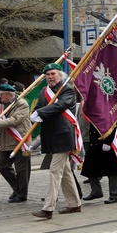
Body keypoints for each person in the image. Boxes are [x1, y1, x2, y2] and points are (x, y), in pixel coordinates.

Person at [30, 63, 82, 219]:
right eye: (47, 75)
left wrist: (41, 112)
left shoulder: (67, 90)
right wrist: (35, 114)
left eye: (53, 74)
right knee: (65, 172)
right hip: (51, 136)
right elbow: (38, 107)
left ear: (60, 75)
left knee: (55, 171)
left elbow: (62, 105)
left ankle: (48, 208)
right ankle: (75, 204)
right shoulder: (43, 92)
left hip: (63, 136)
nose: (50, 77)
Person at [0, 83, 31, 203]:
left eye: (1, 94)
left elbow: (16, 120)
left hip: (19, 141)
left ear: (8, 94)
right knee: (2, 165)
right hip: (6, 141)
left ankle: (22, 195)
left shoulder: (22, 104)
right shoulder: (2, 105)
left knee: (21, 170)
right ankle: (17, 188)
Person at [81, 123, 117, 203]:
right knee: (89, 169)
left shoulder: (107, 111)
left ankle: (115, 195)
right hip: (94, 143)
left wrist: (108, 142)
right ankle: (96, 191)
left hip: (106, 143)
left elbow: (112, 124)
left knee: (112, 172)